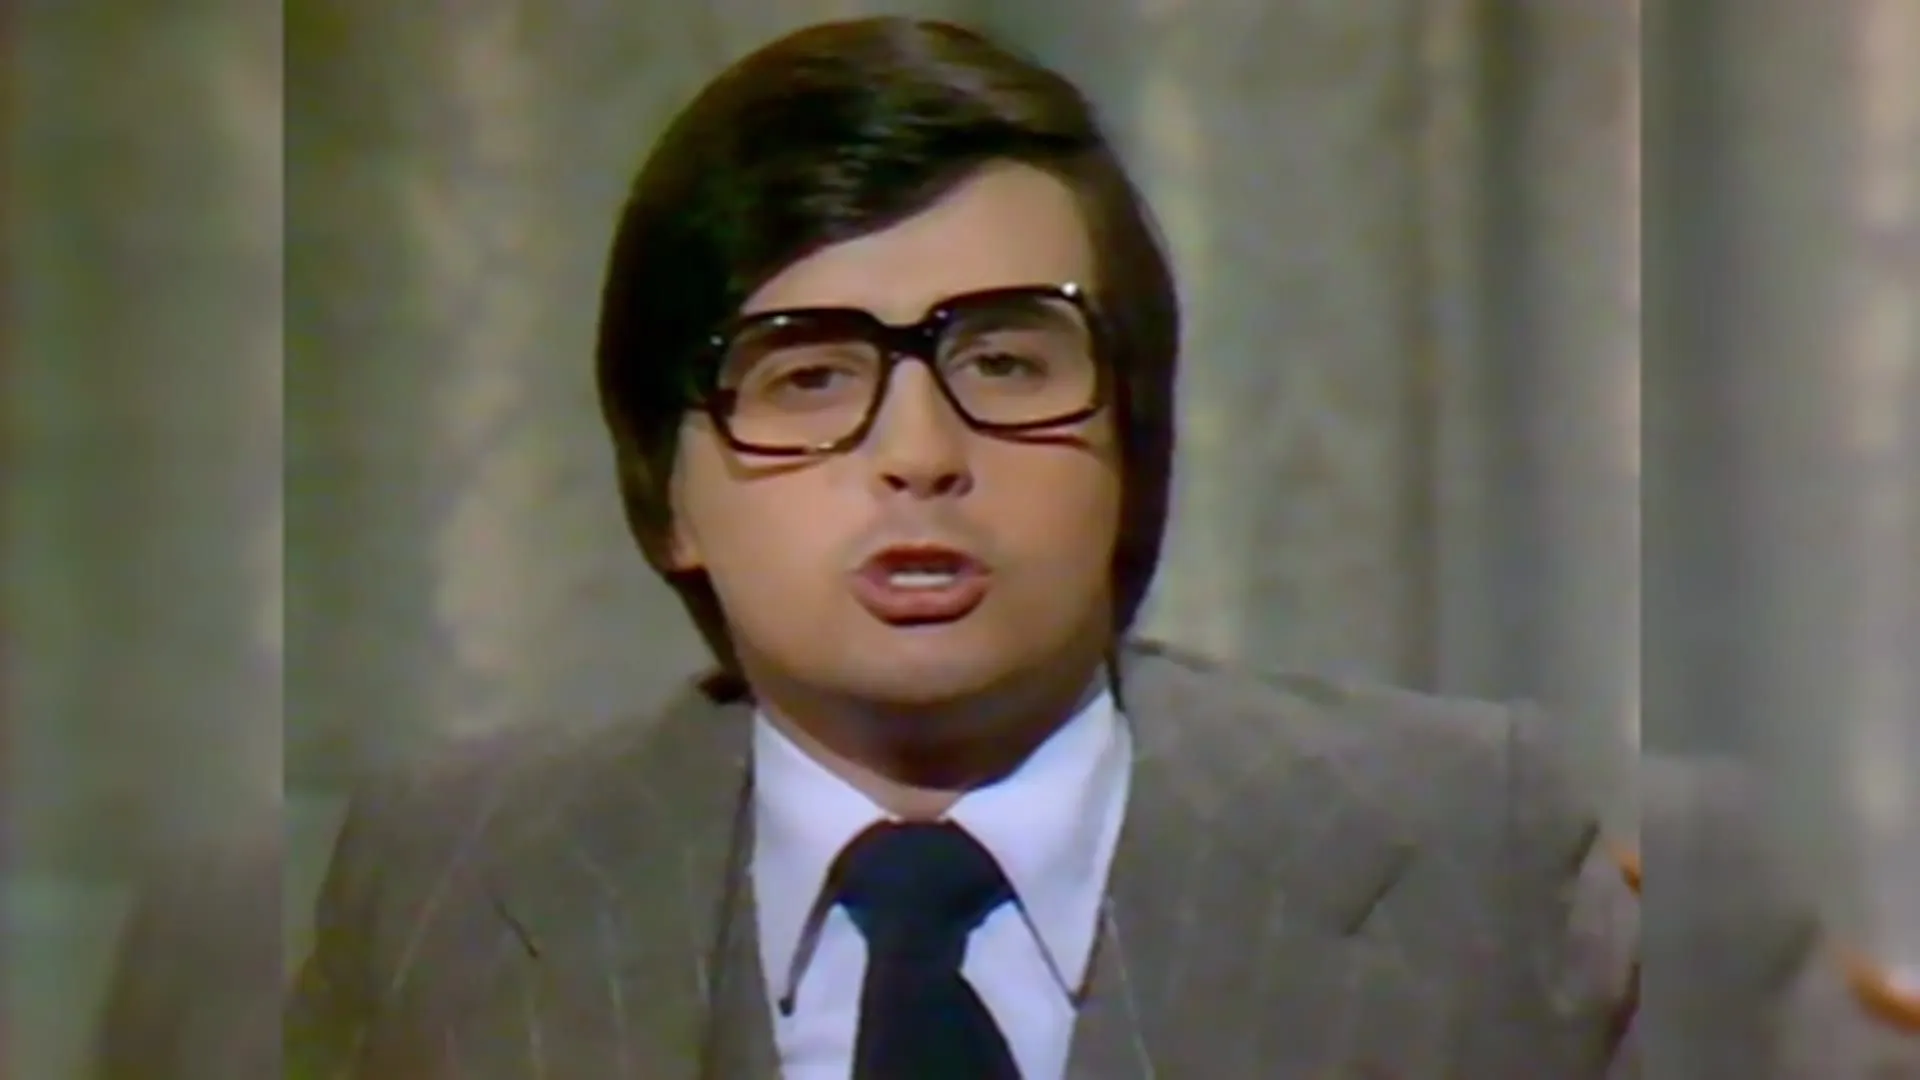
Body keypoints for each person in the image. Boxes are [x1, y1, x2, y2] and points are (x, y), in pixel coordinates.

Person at [286, 17, 1881, 1078]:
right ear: (668, 497)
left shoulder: (1477, 854)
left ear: (1135, 439)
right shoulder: (443, 887)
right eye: (809, 378)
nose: (921, 453)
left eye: (1004, 362)